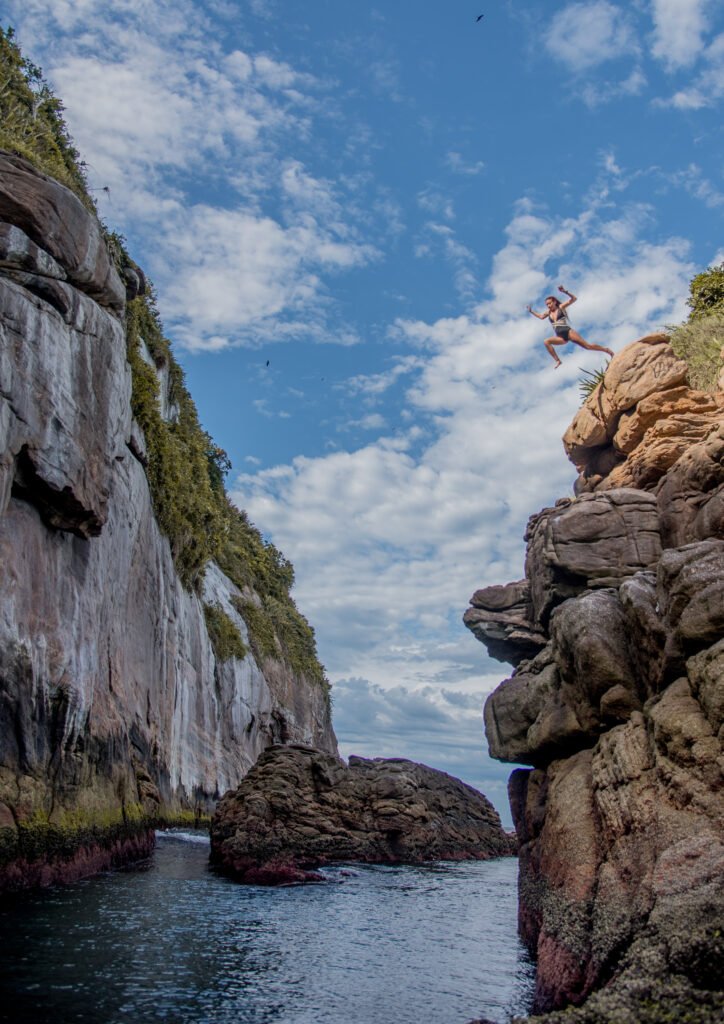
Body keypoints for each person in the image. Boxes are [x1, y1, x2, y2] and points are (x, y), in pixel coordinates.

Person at [527, 285, 614, 368]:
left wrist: (565, 292)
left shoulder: (561, 307)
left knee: (587, 346)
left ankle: (606, 350)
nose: (548, 306)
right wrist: (531, 311)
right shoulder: (548, 313)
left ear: (554, 302)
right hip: (561, 337)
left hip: (568, 332)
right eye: (547, 305)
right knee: (546, 341)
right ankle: (558, 361)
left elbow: (574, 299)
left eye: (549, 303)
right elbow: (541, 317)